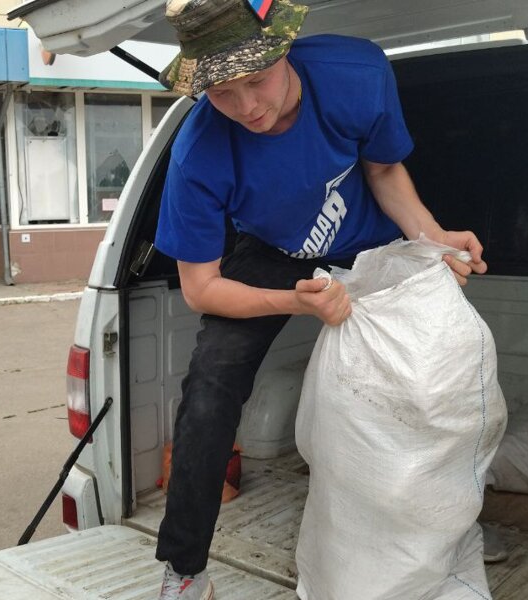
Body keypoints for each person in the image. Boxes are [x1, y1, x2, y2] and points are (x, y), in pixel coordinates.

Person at [151, 0, 488, 598]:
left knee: (433, 378)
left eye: (256, 81)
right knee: (210, 385)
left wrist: (433, 240)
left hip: (370, 240)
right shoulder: (198, 151)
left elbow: (384, 173)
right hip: (273, 250)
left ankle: (441, 527)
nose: (247, 108)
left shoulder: (356, 74)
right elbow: (202, 288)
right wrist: (296, 302)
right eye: (223, 94)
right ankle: (184, 570)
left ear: (284, 48)